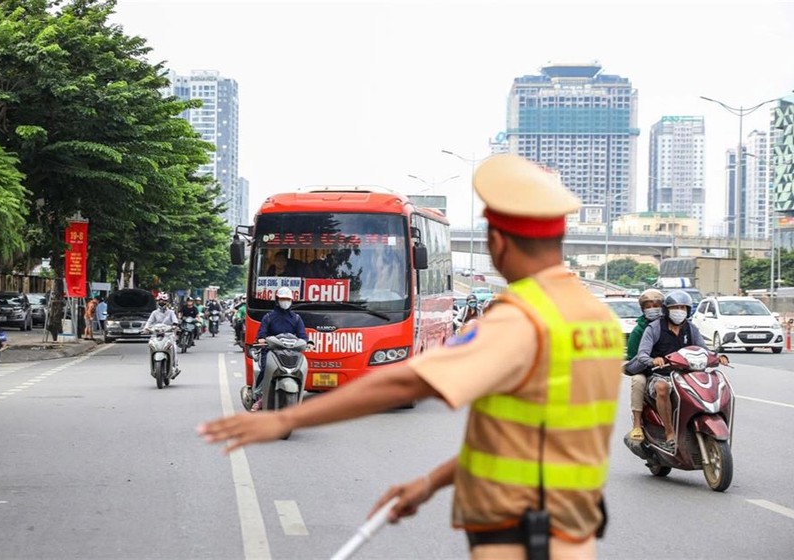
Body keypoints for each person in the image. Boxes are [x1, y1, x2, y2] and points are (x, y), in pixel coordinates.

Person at [198, 154, 625, 559]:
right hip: (571, 531)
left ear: (497, 241)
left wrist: (288, 418)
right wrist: (426, 484)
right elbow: (522, 440)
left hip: (518, 534)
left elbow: (408, 381)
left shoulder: (523, 318)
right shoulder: (597, 320)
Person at [625, 290, 728, 452]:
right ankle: (669, 433)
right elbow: (641, 354)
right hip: (660, 374)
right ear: (667, 310)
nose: (679, 311)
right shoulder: (653, 328)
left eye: (683, 308)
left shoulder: (691, 328)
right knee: (661, 387)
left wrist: (717, 357)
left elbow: (703, 349)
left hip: (686, 374)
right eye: (675, 307)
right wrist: (653, 360)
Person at [250, 286, 307, 412]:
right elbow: (261, 334)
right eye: (283, 299)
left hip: (291, 352)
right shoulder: (269, 317)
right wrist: (262, 340)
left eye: (288, 299)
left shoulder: (296, 318)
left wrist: (308, 343)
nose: (285, 301)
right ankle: (259, 395)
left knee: (300, 370)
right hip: (271, 351)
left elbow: (303, 336)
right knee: (265, 369)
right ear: (277, 300)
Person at [624, 289, 664, 442]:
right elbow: (634, 358)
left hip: (669, 368)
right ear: (643, 309)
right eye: (649, 305)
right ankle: (637, 424)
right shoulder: (639, 330)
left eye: (656, 305)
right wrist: (650, 361)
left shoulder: (669, 325)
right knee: (638, 381)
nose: (653, 308)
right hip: (646, 370)